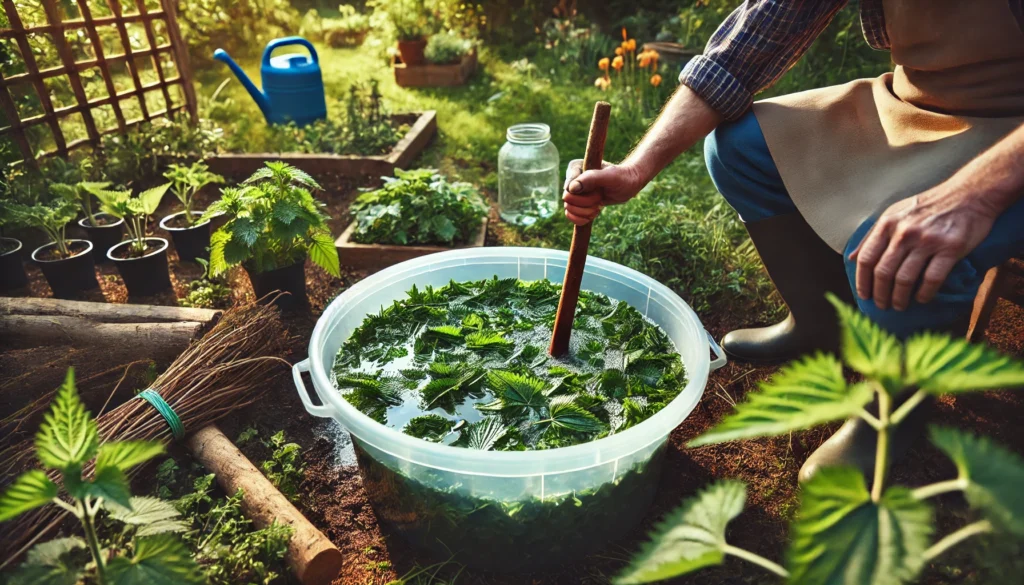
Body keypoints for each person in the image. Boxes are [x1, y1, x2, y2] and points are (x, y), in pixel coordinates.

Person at [562, 0, 1024, 481]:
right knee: (739, 148)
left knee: (890, 242)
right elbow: (742, 50)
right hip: (913, 106)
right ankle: (819, 322)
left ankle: (896, 412)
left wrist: (969, 197)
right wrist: (637, 168)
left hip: (1012, 141)